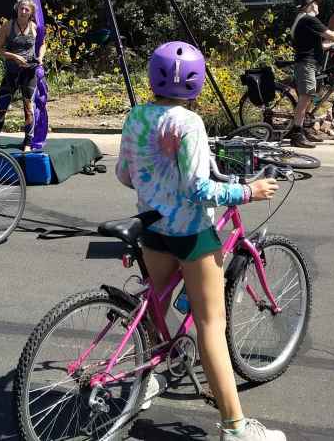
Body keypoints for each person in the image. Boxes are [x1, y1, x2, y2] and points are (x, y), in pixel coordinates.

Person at [116, 41, 285, 440]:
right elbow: (199, 189)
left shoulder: (137, 115)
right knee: (211, 325)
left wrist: (156, 189)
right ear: (196, 83)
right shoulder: (187, 123)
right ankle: (235, 427)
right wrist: (249, 191)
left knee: (154, 310)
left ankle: (145, 380)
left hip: (152, 227)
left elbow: (124, 173)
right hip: (190, 233)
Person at [287, 0, 334, 148]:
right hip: (306, 65)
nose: (318, 6)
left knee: (310, 97)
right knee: (305, 98)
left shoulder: (304, 21)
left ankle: (304, 129)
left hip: (310, 64)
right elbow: (330, 35)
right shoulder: (308, 19)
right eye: (316, 3)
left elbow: (321, 45)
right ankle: (296, 135)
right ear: (309, 5)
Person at [0, 0, 46, 151]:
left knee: (29, 107)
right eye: (21, 8)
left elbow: (42, 44)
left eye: (26, 9)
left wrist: (40, 57)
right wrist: (14, 56)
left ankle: (27, 142)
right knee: (2, 105)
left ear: (31, 12)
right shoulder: (7, 26)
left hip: (29, 72)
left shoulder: (34, 27)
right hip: (12, 72)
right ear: (17, 9)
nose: (23, 11)